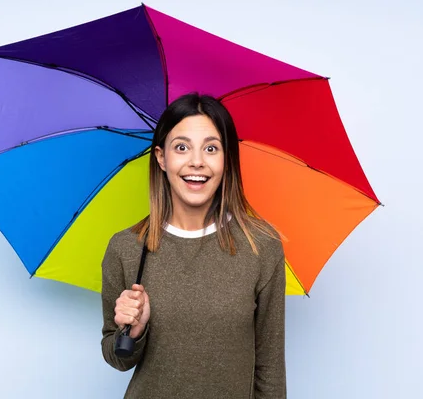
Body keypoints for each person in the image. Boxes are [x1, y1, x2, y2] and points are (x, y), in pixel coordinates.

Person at [100, 93, 287, 398]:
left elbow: (270, 368)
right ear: (161, 157)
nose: (196, 161)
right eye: (182, 147)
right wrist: (133, 331)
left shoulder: (261, 246)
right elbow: (116, 356)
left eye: (211, 148)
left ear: (227, 158)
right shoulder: (126, 248)